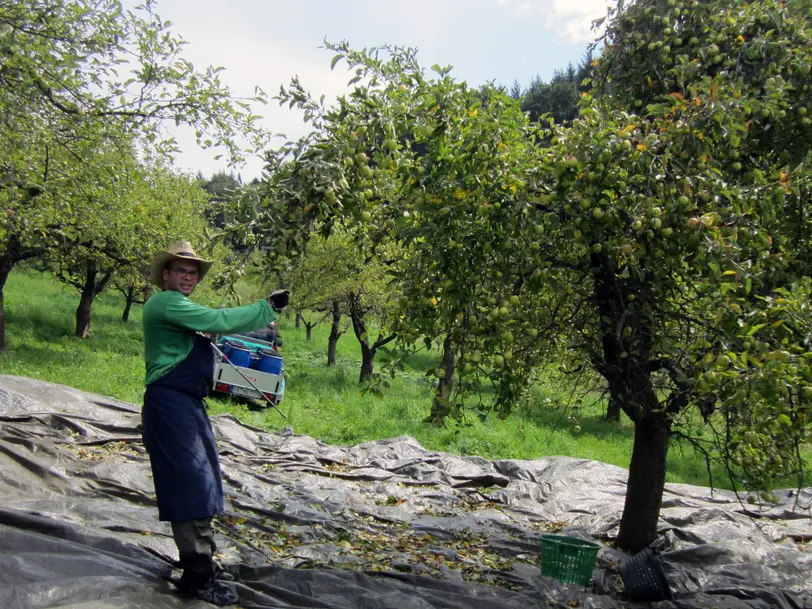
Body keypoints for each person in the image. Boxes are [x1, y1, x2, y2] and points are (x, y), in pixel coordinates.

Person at [140, 241, 290, 606]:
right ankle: (196, 574)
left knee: (203, 482)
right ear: (166, 274)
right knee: (190, 486)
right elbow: (218, 321)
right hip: (171, 405)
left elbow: (207, 326)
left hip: (187, 405)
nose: (188, 277)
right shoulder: (165, 302)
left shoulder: (182, 308)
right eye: (181, 271)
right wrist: (265, 307)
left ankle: (203, 561)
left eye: (192, 273)